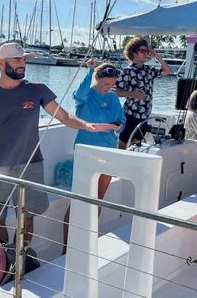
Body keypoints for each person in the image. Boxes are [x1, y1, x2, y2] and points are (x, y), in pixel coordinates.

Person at [0, 43, 116, 244]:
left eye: (24, 59)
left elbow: (65, 116)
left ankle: (21, 267)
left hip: (31, 166)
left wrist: (87, 125)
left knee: (26, 222)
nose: (23, 64)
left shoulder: (37, 90)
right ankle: (3, 267)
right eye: (17, 59)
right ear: (0, 63)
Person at [62, 59, 126, 251]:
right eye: (106, 83)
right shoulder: (86, 95)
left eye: (113, 84)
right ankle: (66, 246)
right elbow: (78, 94)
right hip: (86, 152)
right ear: (97, 79)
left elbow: (121, 120)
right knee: (79, 198)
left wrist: (117, 125)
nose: (109, 87)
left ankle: (86, 241)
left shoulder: (113, 98)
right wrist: (89, 71)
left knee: (98, 198)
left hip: (108, 150)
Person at [114, 37, 172, 149]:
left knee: (135, 149)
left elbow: (168, 71)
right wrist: (132, 94)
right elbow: (114, 91)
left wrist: (157, 57)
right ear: (134, 53)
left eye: (147, 51)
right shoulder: (127, 71)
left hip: (145, 117)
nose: (146, 54)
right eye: (143, 51)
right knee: (121, 148)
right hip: (130, 117)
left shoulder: (149, 70)